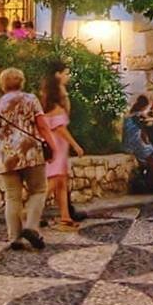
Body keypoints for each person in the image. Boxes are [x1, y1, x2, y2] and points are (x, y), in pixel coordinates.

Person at [0, 67, 57, 251]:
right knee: (38, 190)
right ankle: (31, 227)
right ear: (21, 82)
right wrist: (53, 146)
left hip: (7, 156)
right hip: (31, 153)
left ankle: (15, 238)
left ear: (3, 84)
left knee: (12, 197)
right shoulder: (30, 99)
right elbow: (43, 126)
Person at [40, 60, 85, 230]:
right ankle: (30, 213)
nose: (68, 76)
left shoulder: (51, 93)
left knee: (61, 182)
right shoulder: (56, 96)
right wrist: (75, 145)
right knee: (54, 181)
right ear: (58, 75)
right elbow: (59, 127)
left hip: (57, 144)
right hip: (57, 144)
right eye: (66, 73)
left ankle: (65, 218)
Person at [122, 96, 153, 162]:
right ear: (145, 106)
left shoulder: (128, 116)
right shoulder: (140, 115)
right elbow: (145, 134)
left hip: (126, 147)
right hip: (136, 147)